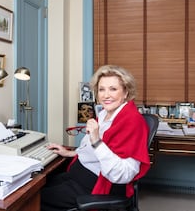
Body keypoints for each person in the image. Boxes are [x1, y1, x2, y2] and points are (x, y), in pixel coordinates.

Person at [40, 65, 151, 211]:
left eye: (113, 89)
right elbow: (92, 150)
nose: (106, 95)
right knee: (42, 185)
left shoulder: (133, 122)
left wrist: (97, 141)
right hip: (79, 172)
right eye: (101, 89)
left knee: (35, 200)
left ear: (125, 92)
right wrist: (70, 153)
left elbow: (124, 174)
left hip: (96, 182)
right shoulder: (105, 114)